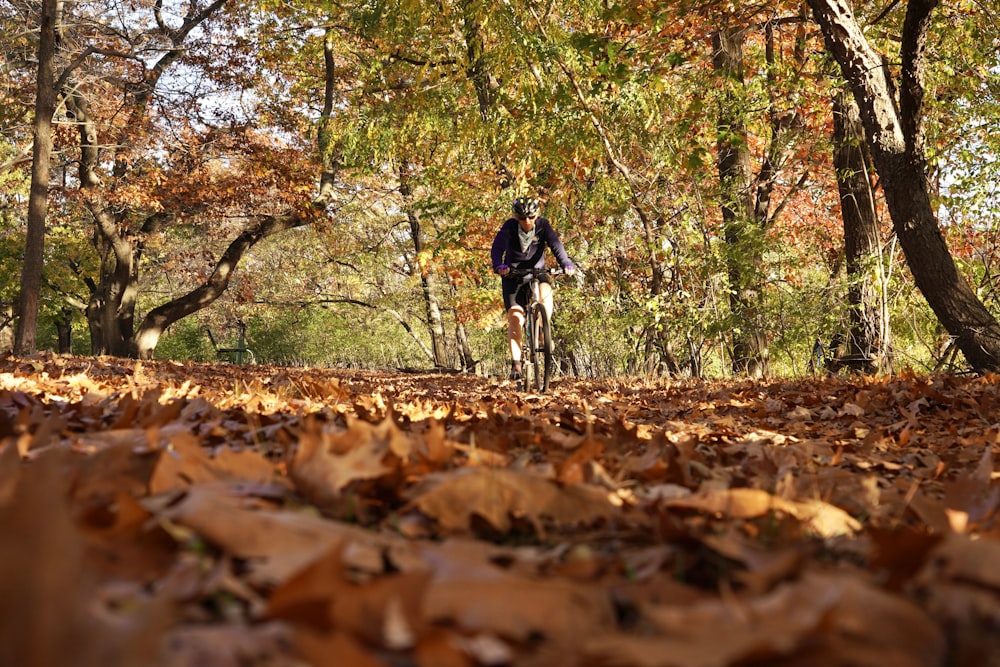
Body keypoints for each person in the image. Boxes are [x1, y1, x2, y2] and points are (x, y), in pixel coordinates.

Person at [491, 196, 575, 381]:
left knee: (545, 293)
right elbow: (497, 249)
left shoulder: (543, 226)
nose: (527, 221)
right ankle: (516, 365)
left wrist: (566, 263)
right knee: (515, 318)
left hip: (537, 273)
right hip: (512, 276)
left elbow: (556, 246)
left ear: (536, 215)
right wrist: (499, 265)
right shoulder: (510, 227)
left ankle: (541, 329)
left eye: (531, 217)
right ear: (516, 217)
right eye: (522, 218)